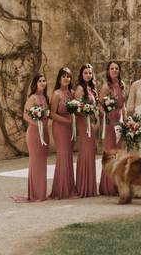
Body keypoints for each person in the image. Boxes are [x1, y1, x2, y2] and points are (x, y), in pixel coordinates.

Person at [18, 74, 50, 202]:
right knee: (35, 161)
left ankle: (41, 193)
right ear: (35, 83)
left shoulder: (45, 97)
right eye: (40, 81)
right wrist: (37, 124)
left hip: (45, 132)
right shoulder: (32, 97)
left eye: (44, 80)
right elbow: (25, 115)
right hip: (34, 133)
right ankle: (35, 194)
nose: (42, 83)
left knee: (43, 162)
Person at [99, 60, 127, 196]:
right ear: (108, 71)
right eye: (112, 68)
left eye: (116, 68)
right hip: (110, 123)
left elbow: (124, 105)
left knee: (119, 154)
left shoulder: (122, 85)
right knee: (110, 153)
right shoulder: (105, 87)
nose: (114, 70)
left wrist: (126, 119)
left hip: (120, 123)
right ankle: (107, 186)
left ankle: (118, 185)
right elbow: (100, 106)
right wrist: (107, 112)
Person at [49, 67, 76, 199]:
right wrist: (67, 121)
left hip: (71, 127)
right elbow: (52, 114)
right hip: (60, 127)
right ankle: (61, 190)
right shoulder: (56, 94)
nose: (66, 78)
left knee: (69, 156)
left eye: (68, 76)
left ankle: (70, 188)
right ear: (59, 78)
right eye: (64, 76)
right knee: (63, 156)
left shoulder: (73, 93)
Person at [73, 63, 100, 197]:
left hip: (92, 123)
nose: (88, 75)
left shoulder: (91, 88)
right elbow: (77, 108)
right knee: (85, 152)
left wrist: (96, 119)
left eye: (90, 73)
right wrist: (86, 113)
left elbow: (95, 106)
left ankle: (90, 187)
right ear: (81, 74)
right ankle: (83, 187)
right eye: (85, 73)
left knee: (90, 153)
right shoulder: (79, 88)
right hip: (84, 124)